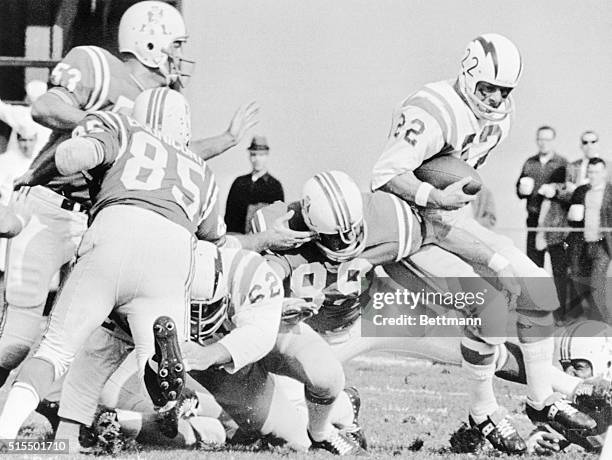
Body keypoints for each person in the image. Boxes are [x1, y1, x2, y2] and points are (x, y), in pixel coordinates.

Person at [0, 0, 258, 388]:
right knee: (17, 343)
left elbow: (172, 157)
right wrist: (107, 127)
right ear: (149, 43)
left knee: (93, 339)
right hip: (49, 208)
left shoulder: (161, 103)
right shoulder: (100, 66)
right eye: (177, 44)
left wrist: (226, 140)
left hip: (99, 223)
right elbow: (45, 107)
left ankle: (78, 412)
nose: (181, 55)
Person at [369, 33, 595, 453]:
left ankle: (541, 400)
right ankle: (483, 411)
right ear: (466, 73)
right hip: (406, 229)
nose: (493, 98)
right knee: (487, 307)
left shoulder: (499, 122)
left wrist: (448, 205)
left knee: (534, 286)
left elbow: (462, 184)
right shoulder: (431, 110)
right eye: (486, 87)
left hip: (447, 220)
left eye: (502, 91)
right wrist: (433, 195)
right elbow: (382, 177)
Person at [0, 87, 215, 440]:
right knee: (152, 358)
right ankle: (161, 381)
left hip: (117, 227)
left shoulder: (124, 127)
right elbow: (210, 235)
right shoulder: (201, 169)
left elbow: (73, 155)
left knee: (54, 350)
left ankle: (5, 435)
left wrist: (36, 175)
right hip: (174, 251)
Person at [516, 126, 568, 275]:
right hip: (533, 219)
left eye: (547, 139)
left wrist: (555, 191)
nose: (543, 143)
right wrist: (521, 190)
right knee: (533, 269)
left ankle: (561, 299)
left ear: (553, 141)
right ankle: (538, 299)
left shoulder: (563, 163)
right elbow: (519, 190)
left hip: (555, 223)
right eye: (540, 139)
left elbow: (569, 192)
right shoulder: (530, 163)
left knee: (560, 271)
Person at [566, 158, 612, 323]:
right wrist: (571, 217)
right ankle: (592, 318)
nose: (593, 175)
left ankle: (602, 324)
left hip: (602, 245)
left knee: (597, 285)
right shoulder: (581, 191)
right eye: (590, 172)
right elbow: (573, 219)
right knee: (579, 280)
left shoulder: (610, 192)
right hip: (583, 243)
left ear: (604, 173)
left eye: (597, 172)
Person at [225, 135, 284, 233]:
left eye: (261, 155)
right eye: (253, 154)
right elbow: (229, 217)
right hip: (237, 240)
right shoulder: (239, 183)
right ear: (249, 156)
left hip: (263, 241)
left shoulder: (274, 186)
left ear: (267, 156)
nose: (257, 159)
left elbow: (279, 220)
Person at [0, 80, 51, 157]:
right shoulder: (54, 117)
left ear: (28, 97)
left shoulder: (20, 113)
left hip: (18, 162)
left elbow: (2, 109)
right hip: (42, 162)